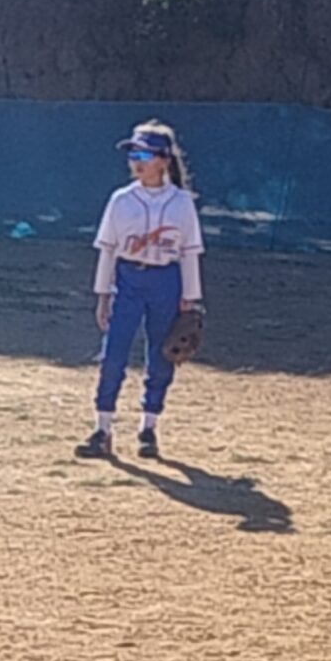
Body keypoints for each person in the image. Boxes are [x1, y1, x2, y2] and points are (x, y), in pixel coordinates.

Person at [79, 120, 205, 462]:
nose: (136, 161)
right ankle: (102, 429)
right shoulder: (121, 200)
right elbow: (107, 249)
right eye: (133, 153)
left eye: (144, 154)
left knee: (162, 353)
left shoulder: (181, 203)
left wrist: (191, 300)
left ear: (164, 160)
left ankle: (148, 428)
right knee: (113, 353)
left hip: (166, 280)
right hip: (128, 280)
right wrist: (103, 295)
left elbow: (190, 252)